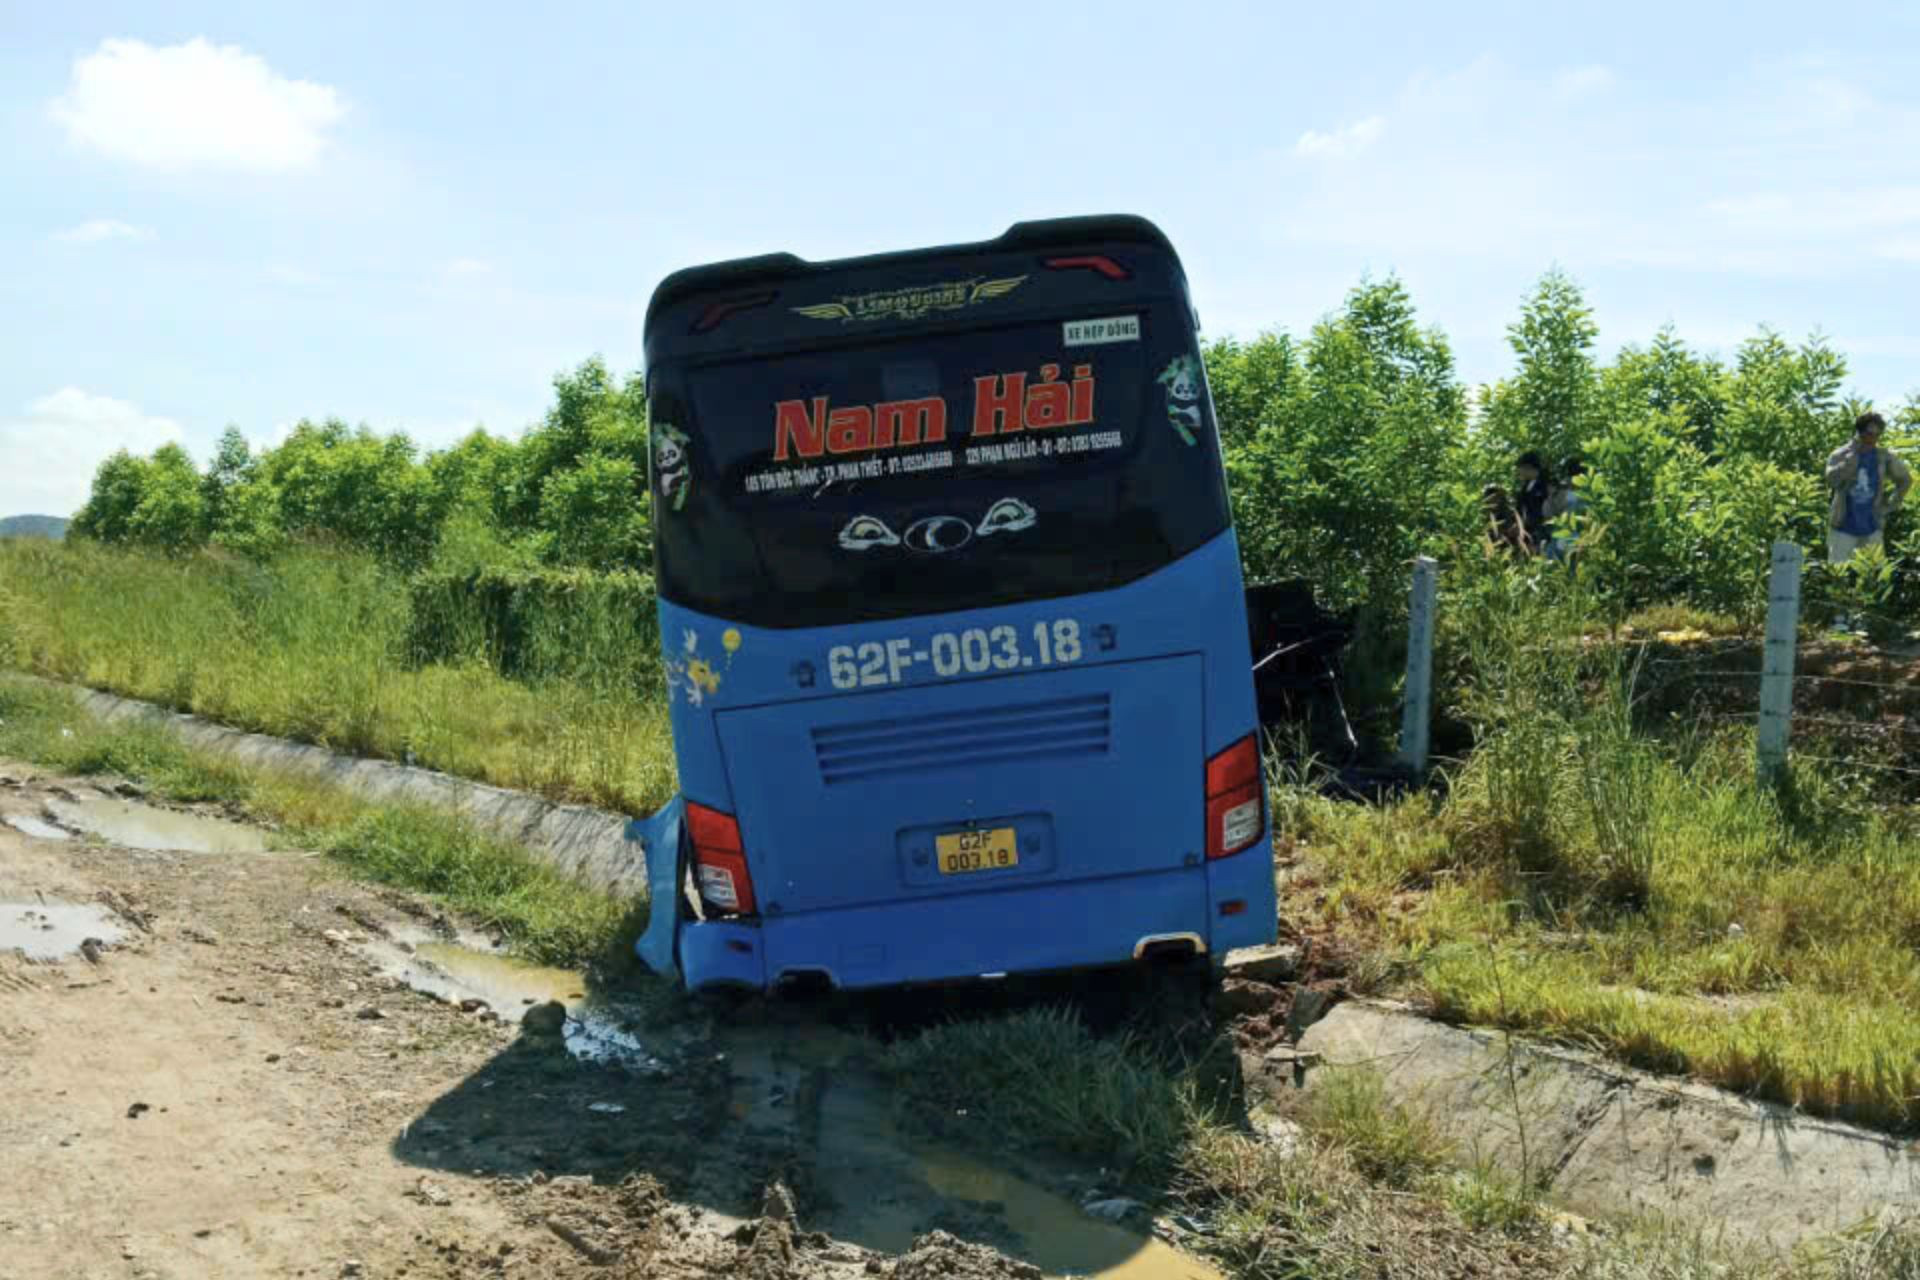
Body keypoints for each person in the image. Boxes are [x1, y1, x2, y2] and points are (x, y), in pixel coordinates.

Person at [1825, 412, 1911, 564]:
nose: (1873, 438)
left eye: (1878, 434)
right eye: (1869, 433)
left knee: (1875, 576)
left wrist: (1890, 505)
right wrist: (1846, 464)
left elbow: (1905, 480)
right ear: (1859, 431)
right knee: (1837, 574)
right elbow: (1831, 481)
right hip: (1842, 525)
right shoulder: (1840, 454)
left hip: (1872, 525)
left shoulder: (1884, 456)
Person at [1545, 457, 1588, 564]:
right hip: (1575, 541)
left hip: (1565, 541)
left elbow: (1548, 515)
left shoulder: (1562, 494)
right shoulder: (1590, 496)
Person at [1513, 451, 1554, 554]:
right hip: (1528, 532)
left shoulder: (1546, 485)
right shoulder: (1525, 487)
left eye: (1520, 468)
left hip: (1543, 532)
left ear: (1528, 467)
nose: (1519, 471)